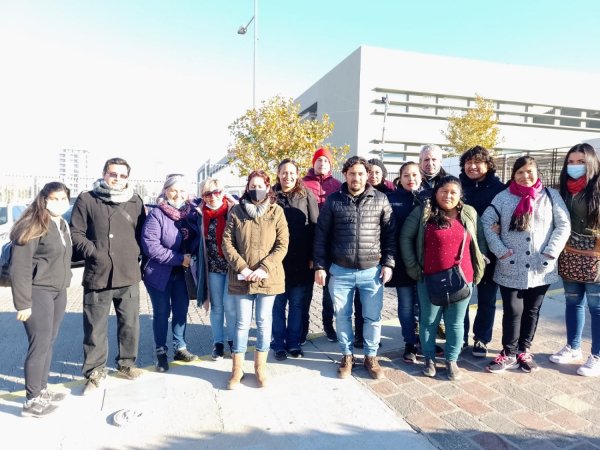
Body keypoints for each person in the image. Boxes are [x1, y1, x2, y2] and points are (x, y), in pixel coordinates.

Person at [482, 156, 570, 373]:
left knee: (532, 310)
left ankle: (524, 350)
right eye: (520, 172)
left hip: (541, 265)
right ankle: (508, 352)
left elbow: (563, 225)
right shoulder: (503, 197)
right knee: (512, 309)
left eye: (529, 171)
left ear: (537, 172)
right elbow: (486, 221)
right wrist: (500, 251)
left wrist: (550, 252)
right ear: (514, 175)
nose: (525, 176)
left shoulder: (551, 196)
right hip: (510, 265)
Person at [314, 156, 396, 380]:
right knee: (342, 317)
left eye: (361, 173)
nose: (356, 178)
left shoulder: (380, 200)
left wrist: (388, 263)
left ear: (367, 175)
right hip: (340, 271)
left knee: (372, 317)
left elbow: (390, 235)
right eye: (352, 174)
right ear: (345, 175)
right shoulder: (333, 201)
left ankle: (371, 356)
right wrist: (320, 266)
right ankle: (347, 356)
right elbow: (321, 235)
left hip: (372, 271)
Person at [71, 157, 146, 394]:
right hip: (99, 273)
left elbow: (143, 233)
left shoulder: (135, 200)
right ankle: (94, 372)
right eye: (113, 174)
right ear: (104, 174)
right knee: (95, 328)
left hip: (128, 272)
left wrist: (137, 254)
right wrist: (95, 253)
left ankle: (126, 364)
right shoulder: (87, 198)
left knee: (130, 325)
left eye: (123, 176)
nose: (117, 179)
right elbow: (76, 233)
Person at [401, 176, 487, 381]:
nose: (448, 196)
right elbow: (405, 237)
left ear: (459, 196)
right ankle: (429, 358)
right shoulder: (423, 212)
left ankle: (451, 360)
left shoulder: (469, 213)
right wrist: (413, 267)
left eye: (453, 192)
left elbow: (480, 240)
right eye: (443, 191)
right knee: (429, 321)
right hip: (429, 278)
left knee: (455, 323)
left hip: (462, 278)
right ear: (436, 192)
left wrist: (480, 263)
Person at [222, 170, 289, 389]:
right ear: (247, 187)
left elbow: (282, 244)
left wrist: (264, 268)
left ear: (268, 187)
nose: (256, 189)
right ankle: (237, 369)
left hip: (267, 277)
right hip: (242, 277)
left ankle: (260, 367)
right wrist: (242, 266)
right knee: (241, 323)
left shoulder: (276, 211)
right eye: (252, 185)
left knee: (263, 321)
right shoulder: (236, 211)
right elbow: (227, 243)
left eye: (260, 185)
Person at [10, 182, 72, 417]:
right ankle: (31, 400)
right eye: (54, 199)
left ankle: (42, 389)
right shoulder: (33, 224)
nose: (59, 203)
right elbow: (21, 268)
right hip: (38, 292)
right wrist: (23, 302)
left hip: (59, 290)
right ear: (43, 199)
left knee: (49, 341)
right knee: (39, 343)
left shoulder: (62, 223)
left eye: (63, 199)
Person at [549, 143, 600, 377]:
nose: (575, 166)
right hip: (569, 253)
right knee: (573, 302)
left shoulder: (597, 188)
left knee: (596, 307)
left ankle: (597, 355)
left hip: (595, 256)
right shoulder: (564, 190)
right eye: (571, 161)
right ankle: (573, 346)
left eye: (581, 162)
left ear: (591, 163)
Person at [141, 174, 200, 373]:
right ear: (166, 191)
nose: (177, 195)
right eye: (173, 190)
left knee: (181, 311)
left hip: (183, 275)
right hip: (160, 274)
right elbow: (151, 246)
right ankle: (160, 351)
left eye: (182, 190)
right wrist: (179, 258)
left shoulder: (192, 214)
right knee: (162, 313)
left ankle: (180, 347)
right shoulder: (156, 214)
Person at [459, 146, 506, 357]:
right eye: (468, 162)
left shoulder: (499, 189)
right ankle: (460, 336)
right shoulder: (457, 186)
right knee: (462, 298)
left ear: (488, 165)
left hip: (490, 254)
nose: (473, 166)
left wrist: (502, 226)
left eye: (478, 162)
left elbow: (509, 213)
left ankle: (481, 338)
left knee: (487, 298)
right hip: (461, 252)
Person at [271, 159, 319, 360]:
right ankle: (278, 343)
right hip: (277, 263)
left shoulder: (306, 194)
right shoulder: (271, 196)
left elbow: (316, 226)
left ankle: (293, 343)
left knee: (298, 305)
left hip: (302, 262)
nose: (288, 176)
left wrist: (314, 258)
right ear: (278, 174)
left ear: (297, 174)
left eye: (292, 173)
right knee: (278, 305)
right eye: (284, 172)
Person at [387, 162, 426, 363]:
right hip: (402, 262)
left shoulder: (430, 197)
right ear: (399, 178)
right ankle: (410, 343)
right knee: (406, 305)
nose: (411, 179)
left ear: (421, 177)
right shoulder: (391, 199)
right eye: (406, 175)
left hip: (425, 263)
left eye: (414, 175)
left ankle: (424, 342)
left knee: (424, 305)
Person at [303, 147, 341, 342]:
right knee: (304, 290)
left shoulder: (338, 185)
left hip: (330, 243)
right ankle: (303, 327)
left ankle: (328, 324)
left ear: (330, 164)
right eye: (319, 160)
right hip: (308, 241)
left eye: (326, 161)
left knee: (329, 290)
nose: (322, 164)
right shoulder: (303, 184)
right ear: (313, 163)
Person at [198, 178, 237, 361]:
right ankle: (218, 343)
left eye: (217, 192)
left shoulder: (233, 210)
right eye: (207, 194)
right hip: (212, 268)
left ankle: (232, 340)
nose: (213, 197)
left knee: (230, 307)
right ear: (203, 197)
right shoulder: (199, 214)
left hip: (230, 267)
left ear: (223, 192)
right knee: (216, 308)